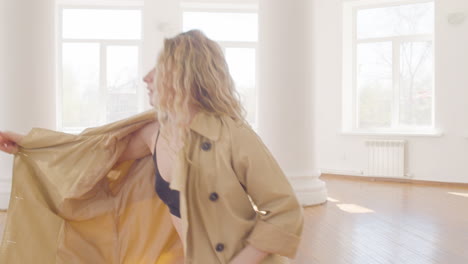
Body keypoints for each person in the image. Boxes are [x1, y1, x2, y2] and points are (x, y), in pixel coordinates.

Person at [1, 29, 303, 263]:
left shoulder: (234, 135)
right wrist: (31, 142)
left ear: (184, 76)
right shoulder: (154, 133)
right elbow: (92, 149)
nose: (146, 78)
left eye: (157, 69)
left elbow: (284, 209)